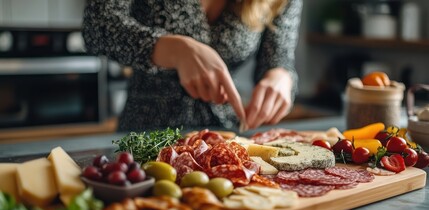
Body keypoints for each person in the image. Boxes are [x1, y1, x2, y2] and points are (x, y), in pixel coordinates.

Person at [82, 0, 302, 131]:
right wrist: (173, 49)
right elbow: (97, 26)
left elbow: (279, 56)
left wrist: (281, 76)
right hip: (145, 134)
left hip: (225, 136)